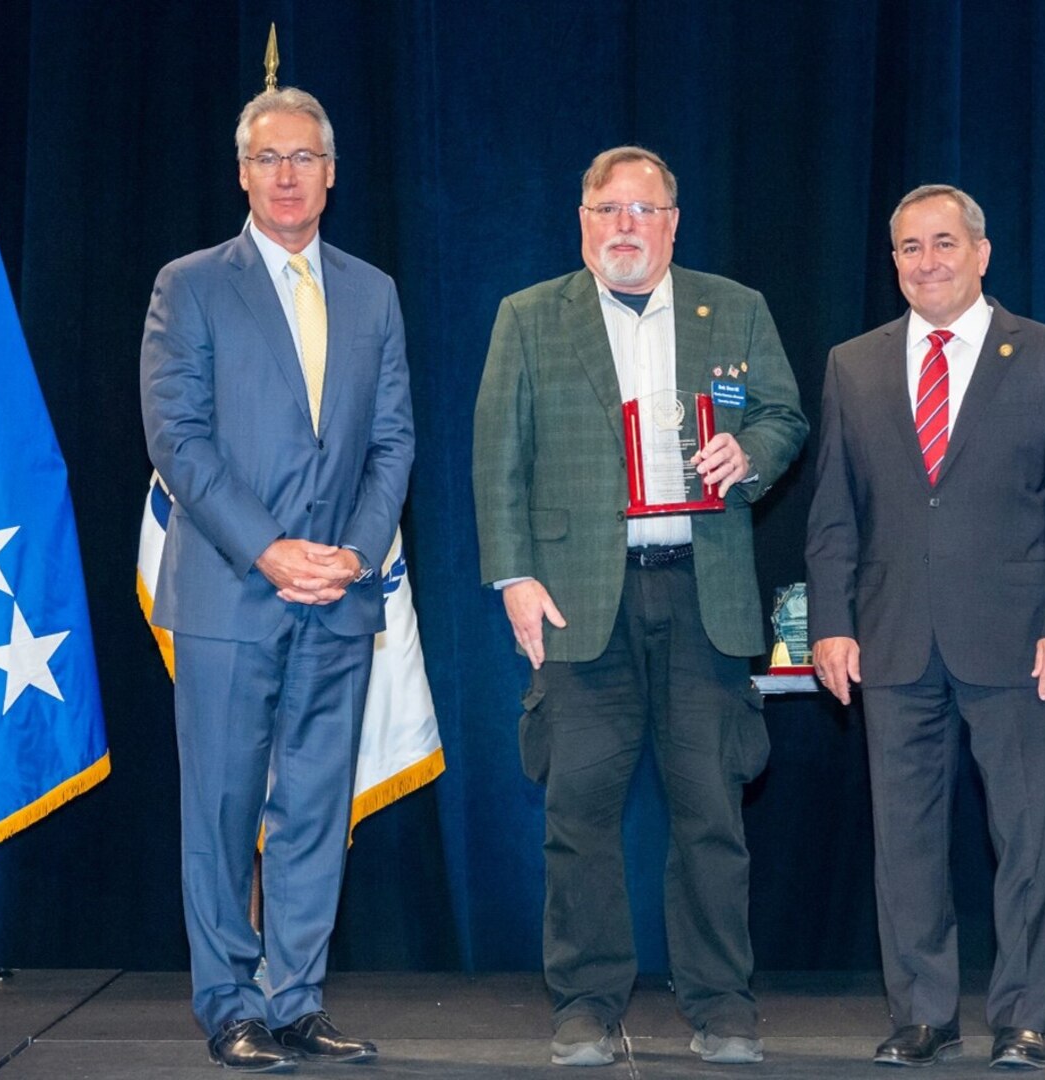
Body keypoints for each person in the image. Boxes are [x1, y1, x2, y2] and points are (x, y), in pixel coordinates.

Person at [472, 146, 807, 1067]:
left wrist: (751, 453)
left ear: (672, 222)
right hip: (579, 602)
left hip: (705, 593)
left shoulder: (732, 307)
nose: (626, 225)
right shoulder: (529, 317)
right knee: (576, 814)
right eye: (608, 209)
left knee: (711, 812)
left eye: (644, 210)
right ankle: (583, 1005)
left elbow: (784, 415)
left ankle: (721, 1005)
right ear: (582, 220)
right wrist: (514, 577)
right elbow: (496, 456)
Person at [140, 87, 414, 1073]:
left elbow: (392, 440)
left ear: (332, 173)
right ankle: (231, 1005)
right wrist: (268, 549)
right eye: (269, 158)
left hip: (339, 591)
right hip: (227, 588)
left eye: (304, 157)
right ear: (243, 172)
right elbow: (176, 438)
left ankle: (295, 1000)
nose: (288, 174)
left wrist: (354, 550)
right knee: (219, 810)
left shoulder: (373, 291)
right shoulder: (191, 285)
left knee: (311, 807)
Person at [805, 184, 1045, 1071]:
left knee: (1026, 837)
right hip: (890, 637)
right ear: (891, 260)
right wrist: (830, 622)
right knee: (903, 844)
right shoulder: (851, 363)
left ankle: (1022, 1018)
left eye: (942, 243)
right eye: (907, 247)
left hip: (1019, 642)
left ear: (980, 254)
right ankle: (923, 1016)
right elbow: (832, 512)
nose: (925, 261)